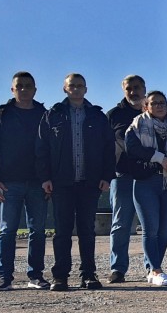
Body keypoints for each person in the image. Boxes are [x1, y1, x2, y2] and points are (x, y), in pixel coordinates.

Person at [36, 73, 115, 291]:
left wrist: (106, 176)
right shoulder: (53, 115)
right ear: (65, 89)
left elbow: (109, 148)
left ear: (86, 89)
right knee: (62, 231)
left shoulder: (97, 116)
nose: (77, 89)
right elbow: (41, 149)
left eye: (80, 86)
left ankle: (88, 275)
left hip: (89, 183)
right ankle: (60, 276)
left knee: (87, 231)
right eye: (72, 86)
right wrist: (45, 178)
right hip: (61, 183)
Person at [0, 71, 49, 291]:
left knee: (38, 231)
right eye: (19, 86)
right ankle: (4, 277)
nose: (24, 89)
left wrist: (50, 179)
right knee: (7, 231)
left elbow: (52, 150)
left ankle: (36, 275)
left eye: (28, 86)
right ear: (12, 89)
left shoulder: (44, 114)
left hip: (38, 182)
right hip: (8, 182)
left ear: (35, 89)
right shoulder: (1, 114)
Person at [125, 91, 167, 287]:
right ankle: (155, 269)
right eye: (154, 103)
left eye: (162, 102)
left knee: (163, 231)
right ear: (147, 106)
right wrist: (158, 158)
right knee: (150, 229)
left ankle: (155, 267)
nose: (159, 106)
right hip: (146, 181)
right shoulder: (137, 125)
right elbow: (132, 149)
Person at [107, 74, 146, 284]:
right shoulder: (114, 115)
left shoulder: (153, 111)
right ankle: (118, 268)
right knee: (121, 225)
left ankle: (152, 267)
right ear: (124, 90)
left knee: (151, 226)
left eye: (138, 87)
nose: (134, 91)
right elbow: (104, 148)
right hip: (122, 176)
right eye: (130, 88)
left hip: (149, 177)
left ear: (144, 89)